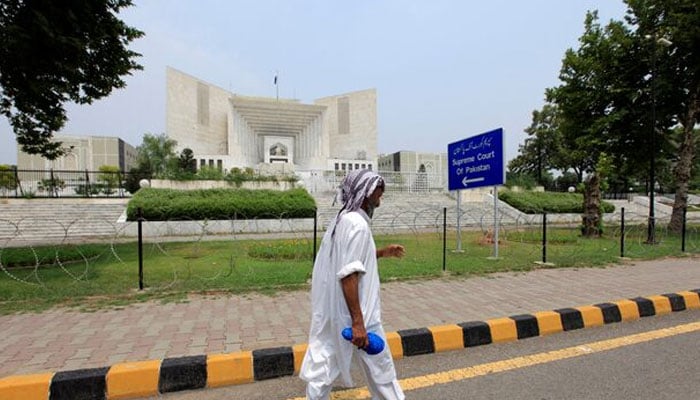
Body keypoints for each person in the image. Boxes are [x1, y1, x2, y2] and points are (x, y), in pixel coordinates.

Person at [300, 169, 406, 400]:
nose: (381, 198)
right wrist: (359, 322)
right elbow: (348, 274)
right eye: (378, 192)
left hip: (333, 313)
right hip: (360, 316)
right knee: (382, 372)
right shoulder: (357, 225)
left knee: (323, 367)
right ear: (366, 193)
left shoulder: (341, 221)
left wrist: (381, 253)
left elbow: (349, 259)